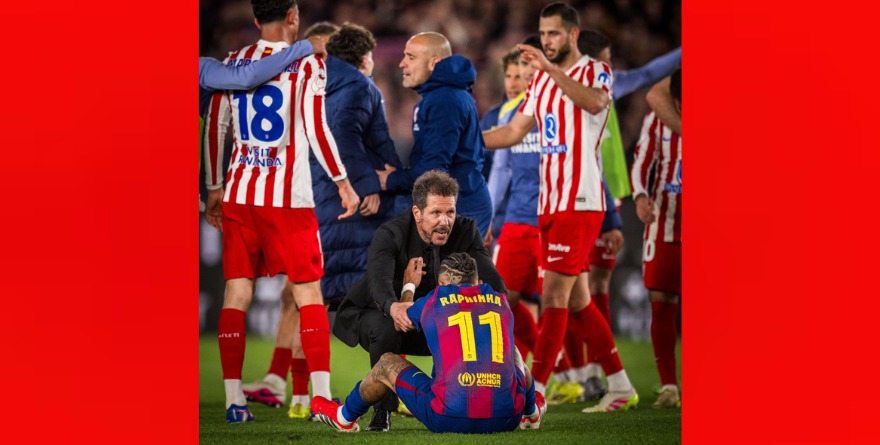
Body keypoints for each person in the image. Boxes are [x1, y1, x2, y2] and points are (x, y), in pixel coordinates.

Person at [203, 0, 360, 423]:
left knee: (237, 293)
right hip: (289, 201)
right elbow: (315, 127)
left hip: (240, 194)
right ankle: (323, 399)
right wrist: (343, 181)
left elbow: (217, 127)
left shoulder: (233, 62)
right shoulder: (308, 64)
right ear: (293, 16)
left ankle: (235, 402)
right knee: (309, 292)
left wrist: (214, 188)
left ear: (256, 20)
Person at [482, 2, 638, 413]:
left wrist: (550, 70)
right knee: (577, 303)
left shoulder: (595, 71)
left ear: (572, 34)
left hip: (580, 200)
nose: (546, 41)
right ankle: (621, 386)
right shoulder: (540, 86)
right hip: (550, 203)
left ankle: (533, 398)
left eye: (553, 33)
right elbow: (515, 130)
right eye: (542, 33)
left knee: (553, 298)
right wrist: (467, 142)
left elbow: (594, 104)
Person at [547, 29, 682, 405]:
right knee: (571, 290)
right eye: (604, 59)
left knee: (590, 288)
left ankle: (598, 374)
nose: (610, 68)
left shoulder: (604, 85)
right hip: (570, 200)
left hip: (605, 201)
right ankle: (583, 371)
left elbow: (648, 74)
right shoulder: (555, 88)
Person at [332, 170, 507, 431]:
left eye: (450, 212)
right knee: (385, 327)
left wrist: (499, 305)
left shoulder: (467, 230)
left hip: (431, 319)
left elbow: (492, 280)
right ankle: (382, 412)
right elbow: (376, 282)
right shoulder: (390, 233)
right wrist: (394, 306)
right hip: (379, 313)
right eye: (436, 213)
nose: (445, 221)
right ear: (417, 213)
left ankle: (454, 395)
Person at [313, 252, 547, 433]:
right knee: (513, 352)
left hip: (449, 416)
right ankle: (531, 413)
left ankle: (344, 417)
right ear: (479, 281)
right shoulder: (501, 302)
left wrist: (409, 287)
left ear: (443, 284)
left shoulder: (436, 298)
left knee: (386, 364)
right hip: (507, 417)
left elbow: (400, 321)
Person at [374, 32, 494, 237]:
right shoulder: (442, 96)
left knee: (447, 270)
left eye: (411, 57)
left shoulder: (444, 100)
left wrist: (391, 180)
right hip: (459, 204)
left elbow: (434, 170)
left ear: (433, 63)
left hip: (459, 209)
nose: (402, 63)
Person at [631, 69, 682, 409]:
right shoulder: (658, 119)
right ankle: (669, 387)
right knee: (660, 298)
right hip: (665, 219)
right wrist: (638, 195)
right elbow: (641, 161)